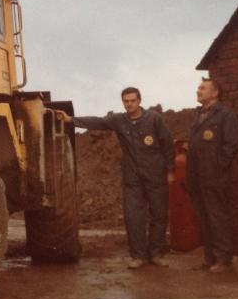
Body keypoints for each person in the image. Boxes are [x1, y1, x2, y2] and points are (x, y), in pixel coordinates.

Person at [67, 87, 175, 269]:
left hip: (155, 174)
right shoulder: (119, 120)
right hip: (132, 177)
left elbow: (168, 144)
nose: (129, 104)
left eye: (132, 100)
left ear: (139, 100)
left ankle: (156, 254)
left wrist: (170, 170)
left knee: (159, 214)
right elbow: (98, 122)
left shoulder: (154, 119)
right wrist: (71, 120)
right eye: (126, 101)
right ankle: (138, 256)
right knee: (133, 216)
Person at [186, 77, 238, 273]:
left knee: (217, 218)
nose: (198, 91)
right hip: (197, 178)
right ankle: (210, 259)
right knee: (204, 218)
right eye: (198, 87)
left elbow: (231, 145)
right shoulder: (199, 114)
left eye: (202, 88)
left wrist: (218, 168)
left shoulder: (225, 114)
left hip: (214, 177)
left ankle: (224, 260)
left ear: (215, 93)